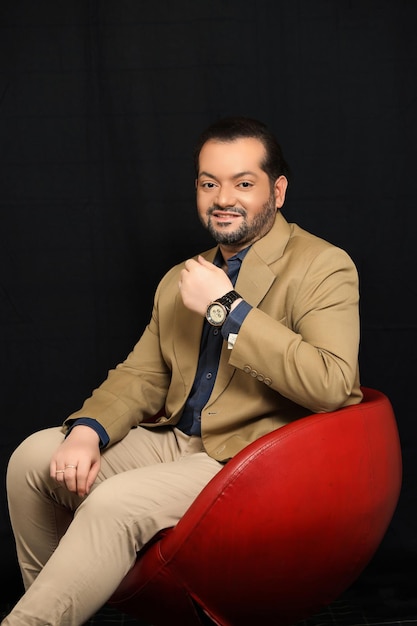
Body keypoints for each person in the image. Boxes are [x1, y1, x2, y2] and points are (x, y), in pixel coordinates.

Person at [2, 116, 362, 626]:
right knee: (32, 461)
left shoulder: (323, 265)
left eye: (243, 183)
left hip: (250, 457)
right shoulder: (183, 276)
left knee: (114, 503)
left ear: (277, 191)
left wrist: (227, 308)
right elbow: (143, 375)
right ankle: (55, 608)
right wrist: (88, 429)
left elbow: (331, 383)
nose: (223, 198)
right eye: (209, 183)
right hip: (177, 440)